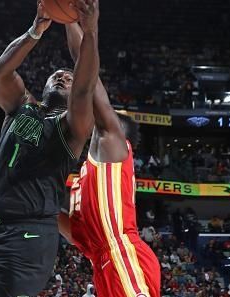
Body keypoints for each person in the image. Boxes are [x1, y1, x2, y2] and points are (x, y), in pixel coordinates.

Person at [0, 0, 100, 296]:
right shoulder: (21, 106)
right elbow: (1, 71)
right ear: (45, 85)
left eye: (68, 76)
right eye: (57, 75)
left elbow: (84, 87)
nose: (63, 77)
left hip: (30, 234)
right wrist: (35, 31)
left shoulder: (73, 127)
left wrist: (88, 31)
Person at [58, 22, 161, 297]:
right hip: (102, 261)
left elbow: (89, 79)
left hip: (122, 253)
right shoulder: (85, 175)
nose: (106, 115)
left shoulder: (113, 144)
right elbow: (75, 235)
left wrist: (69, 19)